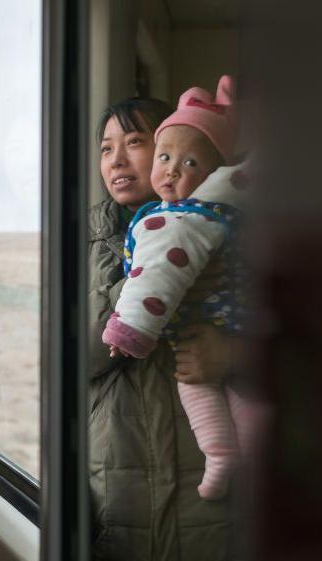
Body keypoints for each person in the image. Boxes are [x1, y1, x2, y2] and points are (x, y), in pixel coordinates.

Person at [89, 96, 239, 560]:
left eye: (135, 143)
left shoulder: (241, 233)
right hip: (118, 477)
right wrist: (155, 274)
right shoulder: (80, 242)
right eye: (105, 147)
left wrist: (237, 354)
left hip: (211, 484)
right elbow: (68, 357)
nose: (116, 159)